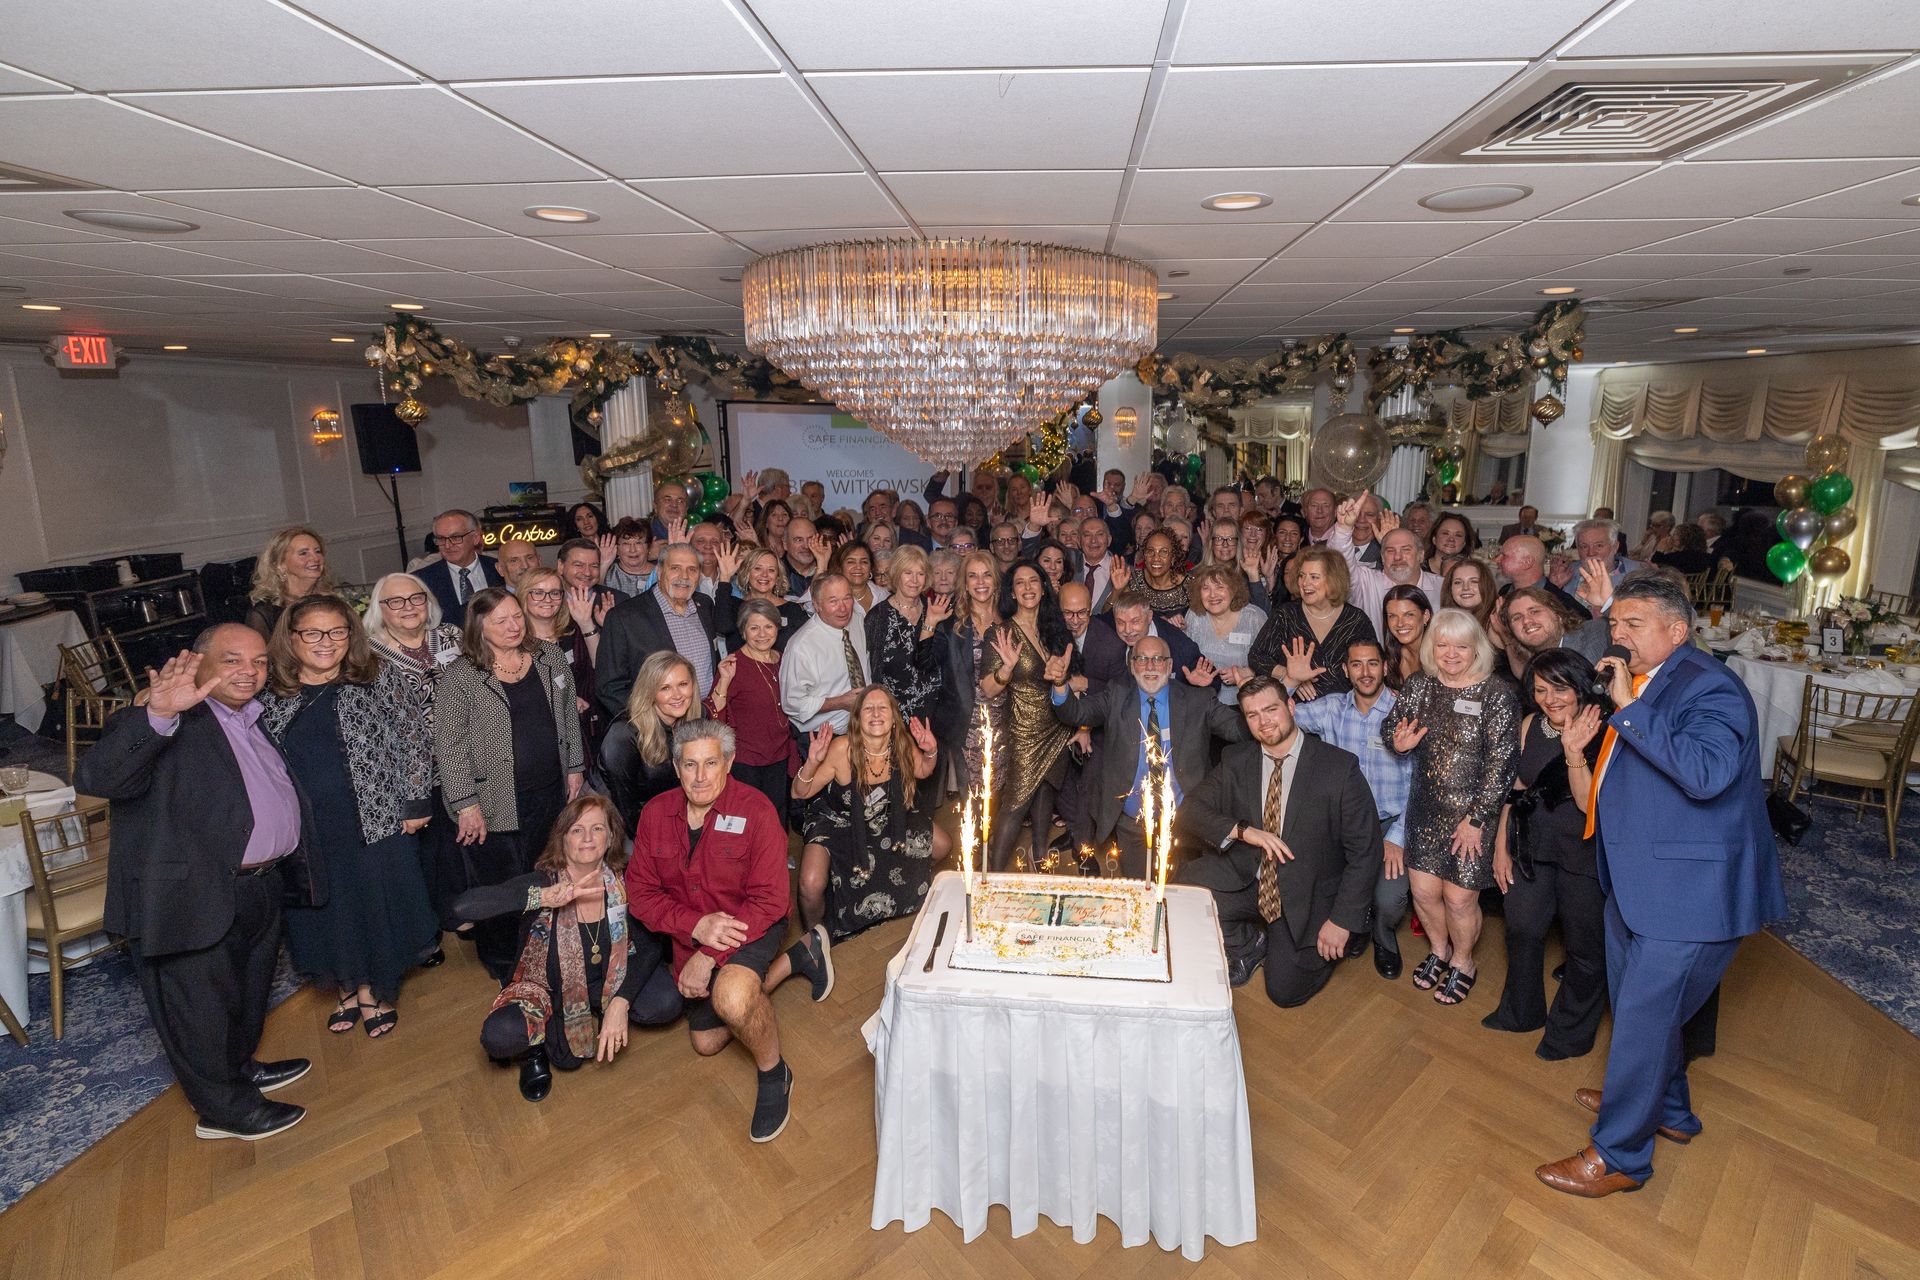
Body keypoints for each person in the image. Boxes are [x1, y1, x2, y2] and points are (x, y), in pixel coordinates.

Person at [1535, 572, 1786, 1198]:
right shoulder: (1648, 679)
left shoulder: (1713, 689)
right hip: (1638, 876)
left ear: (1678, 632)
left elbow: (1705, 775)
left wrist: (1632, 708)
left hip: (1687, 893)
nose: (1617, 638)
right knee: (1648, 1014)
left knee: (1646, 1020)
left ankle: (1620, 1155)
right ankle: (1665, 1106)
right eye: (1614, 625)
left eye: (1632, 626)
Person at [76, 627, 318, 1141]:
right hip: (189, 894)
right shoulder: (165, 717)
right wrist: (158, 712)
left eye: (257, 661)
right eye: (232, 660)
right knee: (198, 1009)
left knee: (246, 994)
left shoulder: (250, 717)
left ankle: (237, 1070)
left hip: (257, 885)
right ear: (197, 664)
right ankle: (223, 1110)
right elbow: (99, 777)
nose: (249, 671)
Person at [628, 720, 833, 1142]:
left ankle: (775, 1073)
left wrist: (709, 957)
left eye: (710, 763)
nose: (700, 776)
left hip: (755, 922)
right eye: (690, 765)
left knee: (733, 997)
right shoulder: (655, 815)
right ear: (675, 766)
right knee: (706, 1041)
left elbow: (771, 902)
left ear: (729, 763)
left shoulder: (757, 811)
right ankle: (801, 957)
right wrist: (696, 926)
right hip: (696, 931)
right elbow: (640, 894)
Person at [259, 595, 437, 1040]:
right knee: (329, 908)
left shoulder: (377, 676)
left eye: (337, 631)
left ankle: (375, 989)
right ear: (291, 638)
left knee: (373, 903)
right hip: (307, 828)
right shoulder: (270, 693)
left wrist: (415, 803)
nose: (327, 642)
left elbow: (413, 738)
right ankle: (345, 983)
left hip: (376, 817)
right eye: (313, 633)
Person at [459, 794, 679, 1101]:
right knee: (504, 1037)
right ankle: (534, 1051)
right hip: (549, 987)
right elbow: (462, 908)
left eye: (597, 829)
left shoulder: (627, 878)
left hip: (609, 976)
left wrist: (621, 1002)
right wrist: (543, 898)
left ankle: (605, 1007)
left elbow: (649, 944)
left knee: (666, 1002)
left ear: (611, 835)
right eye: (577, 830)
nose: (588, 838)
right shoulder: (542, 882)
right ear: (562, 839)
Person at [1176, 677, 1383, 1002]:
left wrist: (1342, 921)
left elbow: (1366, 853)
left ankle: (1324, 936)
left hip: (1306, 891)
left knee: (1285, 993)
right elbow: (1190, 811)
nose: (1263, 721)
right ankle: (1250, 944)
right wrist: (1244, 831)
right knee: (1184, 893)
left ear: (1290, 707)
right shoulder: (1237, 759)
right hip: (1251, 876)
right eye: (1252, 715)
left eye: (1271, 709)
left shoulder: (1338, 769)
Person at [434, 587, 585, 981]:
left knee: (547, 873)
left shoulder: (548, 656)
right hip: (492, 802)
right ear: (479, 627)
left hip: (549, 793)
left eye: (517, 615)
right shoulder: (461, 676)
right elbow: (448, 746)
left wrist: (574, 766)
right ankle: (503, 962)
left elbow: (568, 713)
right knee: (502, 885)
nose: (514, 625)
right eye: (501, 620)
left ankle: (546, 950)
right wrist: (466, 803)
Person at [1382, 608, 1520, 1008]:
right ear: (1431, 647)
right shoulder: (1419, 685)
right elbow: (1391, 728)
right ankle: (1439, 951)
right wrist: (1398, 742)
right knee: (1424, 894)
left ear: (1475, 647)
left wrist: (1476, 820)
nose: (1451, 653)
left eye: (1461, 645)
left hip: (1472, 817)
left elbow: (1503, 765)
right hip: (1425, 808)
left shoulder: (1497, 695)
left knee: (1460, 899)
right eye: (1442, 644)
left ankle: (1464, 961)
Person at [1483, 649, 1610, 1060]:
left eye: (1560, 688)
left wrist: (1574, 753)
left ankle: (1569, 1034)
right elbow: (1517, 786)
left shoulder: (1605, 729)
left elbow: (1588, 804)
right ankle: (1521, 1012)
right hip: (1532, 845)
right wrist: (1502, 846)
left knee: (1585, 949)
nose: (1550, 698)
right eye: (1540, 689)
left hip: (1583, 854)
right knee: (1522, 927)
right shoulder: (1530, 725)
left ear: (1580, 687)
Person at [1049, 635, 1245, 877]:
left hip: (1185, 823)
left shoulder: (1199, 700)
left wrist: (1252, 692)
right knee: (1141, 893)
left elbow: (1239, 729)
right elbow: (1076, 713)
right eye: (1141, 659)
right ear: (1132, 666)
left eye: (1158, 659)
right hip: (1132, 824)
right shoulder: (1116, 695)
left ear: (1170, 666)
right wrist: (1060, 684)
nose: (1150, 667)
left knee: (1181, 894)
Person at [1290, 640, 1414, 979]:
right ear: (1346, 670)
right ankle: (1355, 924)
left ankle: (1383, 934)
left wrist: (1398, 838)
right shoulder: (1331, 708)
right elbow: (1278, 713)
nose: (1365, 672)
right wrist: (1290, 680)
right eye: (1356, 665)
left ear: (1385, 667)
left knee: (1389, 899)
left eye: (1372, 664)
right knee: (1333, 880)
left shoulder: (1405, 710)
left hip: (1391, 823)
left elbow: (1421, 782)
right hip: (1345, 823)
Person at [364, 572, 466, 946]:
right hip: (413, 773)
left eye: (415, 598)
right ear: (380, 608)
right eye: (396, 601)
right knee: (427, 852)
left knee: (466, 842)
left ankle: (466, 912)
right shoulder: (368, 655)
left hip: (467, 763)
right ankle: (428, 929)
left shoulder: (454, 636)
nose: (407, 607)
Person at [792, 686, 943, 936]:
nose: (875, 714)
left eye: (882, 707)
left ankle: (898, 885)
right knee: (810, 883)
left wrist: (930, 751)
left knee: (942, 845)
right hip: (837, 819)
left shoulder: (901, 743)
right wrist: (812, 762)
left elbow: (924, 770)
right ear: (857, 718)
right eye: (868, 708)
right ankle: (814, 941)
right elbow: (799, 792)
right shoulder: (842, 748)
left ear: (894, 717)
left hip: (884, 814)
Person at [978, 562, 1077, 870]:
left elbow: (1073, 674)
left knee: (1047, 789)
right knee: (1015, 804)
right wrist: (1006, 669)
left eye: (1034, 580)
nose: (1028, 587)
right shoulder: (1001, 632)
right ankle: (990, 875)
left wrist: (1068, 677)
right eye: (1020, 583)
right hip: (1023, 729)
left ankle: (1039, 855)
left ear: (1044, 586)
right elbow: (989, 688)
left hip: (1056, 725)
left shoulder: (1053, 627)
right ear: (1012, 592)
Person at [596, 543, 725, 717]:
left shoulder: (705, 605)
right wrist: (650, 721)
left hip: (705, 719)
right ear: (659, 571)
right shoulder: (624, 617)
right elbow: (610, 686)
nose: (684, 576)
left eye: (692, 570)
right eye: (675, 568)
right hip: (655, 730)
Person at [706, 601, 799, 817]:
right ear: (743, 631)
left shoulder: (783, 659)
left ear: (777, 628)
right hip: (746, 760)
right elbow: (713, 715)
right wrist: (724, 681)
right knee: (749, 817)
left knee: (777, 816)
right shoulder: (733, 665)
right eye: (754, 627)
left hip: (780, 754)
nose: (762, 634)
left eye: (768, 626)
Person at [1249, 547, 1378, 700]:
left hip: (1344, 713)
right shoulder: (1285, 615)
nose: (1304, 583)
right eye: (1302, 576)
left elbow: (1372, 667)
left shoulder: (1356, 620)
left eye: (1314, 577)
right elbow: (1257, 656)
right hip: (1295, 712)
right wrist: (1290, 676)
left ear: (1333, 580)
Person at [520, 566, 612, 770]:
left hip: (586, 732)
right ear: (523, 596)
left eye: (554, 592)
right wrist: (566, 701)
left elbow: (601, 667)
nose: (548, 599)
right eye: (538, 592)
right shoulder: (516, 641)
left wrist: (586, 623)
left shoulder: (572, 632)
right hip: (541, 740)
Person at [600, 651, 698, 833]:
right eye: (665, 688)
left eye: (683, 684)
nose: (677, 695)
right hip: (612, 816)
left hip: (660, 811)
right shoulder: (623, 735)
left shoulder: (696, 722)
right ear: (649, 692)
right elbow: (625, 808)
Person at [864, 544, 950, 724]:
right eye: (908, 573)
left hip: (935, 713)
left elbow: (942, 664)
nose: (915, 580)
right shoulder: (878, 617)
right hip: (893, 716)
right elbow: (872, 673)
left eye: (920, 573)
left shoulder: (935, 611)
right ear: (896, 575)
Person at [1328, 500, 1444, 632]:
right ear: (1382, 558)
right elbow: (1341, 564)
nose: (1398, 557)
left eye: (1406, 550)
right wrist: (1344, 529)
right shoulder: (1367, 583)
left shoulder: (1442, 587)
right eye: (1390, 551)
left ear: (1421, 555)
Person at [781, 571, 872, 736]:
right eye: (833, 601)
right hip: (822, 736)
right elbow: (792, 703)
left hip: (860, 729)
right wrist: (840, 702)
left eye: (847, 598)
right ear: (816, 605)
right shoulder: (802, 646)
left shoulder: (856, 620)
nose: (843, 608)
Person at [1182, 563, 1267, 703]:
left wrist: (1250, 672)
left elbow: (1273, 661)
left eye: (1220, 587)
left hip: (1247, 701)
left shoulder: (1254, 617)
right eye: (1206, 588)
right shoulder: (1194, 616)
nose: (1212, 595)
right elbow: (1186, 660)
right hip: (1204, 701)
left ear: (1233, 590)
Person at [246, 526, 338, 638]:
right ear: (280, 565)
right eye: (303, 553)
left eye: (318, 551)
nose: (315, 558)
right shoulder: (265, 613)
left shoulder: (330, 601)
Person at [1501, 585, 1610, 679]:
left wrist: (1608, 604)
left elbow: (1624, 629)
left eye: (1534, 611)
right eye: (1517, 618)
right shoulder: (1532, 665)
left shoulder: (1597, 631)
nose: (1526, 621)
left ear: (1558, 614)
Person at [417, 510, 505, 624]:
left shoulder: (499, 570)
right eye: (441, 539)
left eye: (456, 537)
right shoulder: (422, 580)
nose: (448, 545)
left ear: (475, 538)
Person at [728, 547, 809, 651]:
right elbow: (723, 629)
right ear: (747, 573)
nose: (764, 575)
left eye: (771, 570)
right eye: (758, 568)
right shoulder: (733, 606)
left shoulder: (793, 610)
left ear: (778, 576)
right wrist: (725, 577)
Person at [1499, 534, 1582, 613]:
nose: (1497, 560)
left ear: (1527, 562)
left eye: (1504, 556)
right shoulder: (1504, 592)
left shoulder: (1564, 605)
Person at [1381, 584, 1433, 692]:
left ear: (1426, 616)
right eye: (1392, 616)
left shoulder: (1441, 655)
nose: (1400, 623)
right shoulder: (1395, 656)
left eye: (1409, 615)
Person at [828, 539, 888, 616]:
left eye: (864, 562)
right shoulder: (831, 595)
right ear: (840, 567)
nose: (858, 567)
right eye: (851, 562)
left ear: (871, 567)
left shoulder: (884, 596)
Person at [1442, 557, 1500, 635]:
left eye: (1474, 581)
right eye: (1458, 582)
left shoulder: (1498, 623)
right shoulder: (1444, 622)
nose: (1465, 587)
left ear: (1487, 585)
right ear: (1450, 589)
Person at [601, 518, 657, 598]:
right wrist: (603, 566)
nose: (632, 550)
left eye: (638, 543)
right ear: (616, 548)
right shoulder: (607, 574)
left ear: (648, 546)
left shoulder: (661, 574)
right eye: (626, 544)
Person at [1423, 512, 1477, 577]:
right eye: (1445, 533)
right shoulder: (1419, 571)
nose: (1451, 539)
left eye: (1458, 535)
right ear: (1434, 539)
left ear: (1464, 543)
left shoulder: (1473, 572)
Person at [780, 517, 820, 596]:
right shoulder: (775, 572)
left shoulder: (830, 570)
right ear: (785, 544)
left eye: (810, 539)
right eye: (799, 540)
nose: (806, 546)